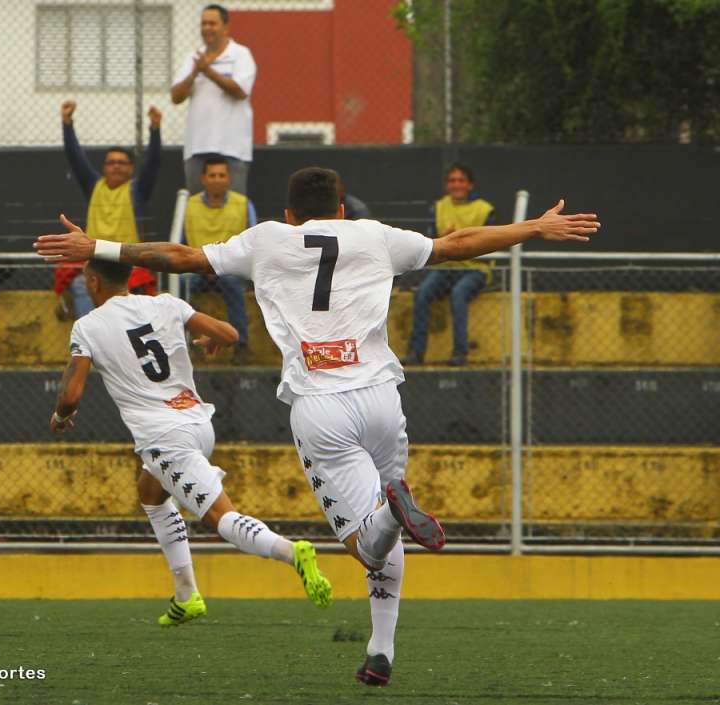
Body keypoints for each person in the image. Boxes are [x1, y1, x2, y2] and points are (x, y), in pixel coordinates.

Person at [35, 167, 599, 685]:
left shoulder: (266, 241)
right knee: (385, 532)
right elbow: (457, 245)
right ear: (341, 210)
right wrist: (536, 226)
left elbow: (180, 256)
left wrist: (97, 246)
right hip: (382, 396)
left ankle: (387, 517)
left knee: (364, 542)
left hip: (320, 406)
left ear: (287, 215)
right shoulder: (374, 235)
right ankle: (382, 651)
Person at [50, 257, 333, 625]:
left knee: (221, 518)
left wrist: (60, 415)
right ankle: (187, 594)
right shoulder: (166, 303)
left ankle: (291, 551)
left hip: (164, 436)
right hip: (198, 423)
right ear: (130, 278)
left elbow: (71, 395)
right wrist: (209, 339)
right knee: (151, 492)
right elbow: (230, 334)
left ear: (91, 282)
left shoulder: (87, 327)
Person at [56, 100, 162, 319]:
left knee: (133, 296)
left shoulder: (137, 191)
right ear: (104, 167)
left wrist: (155, 130)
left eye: (122, 163)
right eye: (111, 162)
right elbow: (76, 159)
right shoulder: (94, 186)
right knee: (80, 285)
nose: (116, 166)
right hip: (95, 261)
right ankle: (92, 340)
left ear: (131, 169)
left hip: (129, 262)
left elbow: (153, 164)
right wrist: (67, 123)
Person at [402, 163, 496, 366]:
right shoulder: (438, 207)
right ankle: (417, 353)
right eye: (452, 180)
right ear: (447, 185)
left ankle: (459, 353)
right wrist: (442, 239)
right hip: (446, 268)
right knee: (422, 294)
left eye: (461, 180)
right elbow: (430, 242)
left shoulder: (484, 209)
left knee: (458, 294)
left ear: (470, 185)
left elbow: (491, 242)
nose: (456, 184)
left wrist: (464, 244)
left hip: (475, 270)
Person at [171, 4, 256, 195]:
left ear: (225, 27)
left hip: (232, 149)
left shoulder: (241, 55)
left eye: (212, 23)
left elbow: (240, 91)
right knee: (197, 210)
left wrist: (207, 71)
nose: (207, 28)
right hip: (196, 148)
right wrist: (195, 72)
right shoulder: (193, 58)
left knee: (233, 211)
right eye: (203, 24)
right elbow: (176, 96)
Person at [182, 156, 256, 364]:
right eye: (212, 175)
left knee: (232, 285)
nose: (217, 179)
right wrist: (200, 265)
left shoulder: (243, 204)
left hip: (230, 269)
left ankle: (240, 345)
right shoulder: (189, 205)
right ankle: (185, 344)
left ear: (229, 179)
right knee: (181, 285)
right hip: (196, 268)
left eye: (221, 175)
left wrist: (221, 265)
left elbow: (251, 241)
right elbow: (181, 242)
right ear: (204, 178)